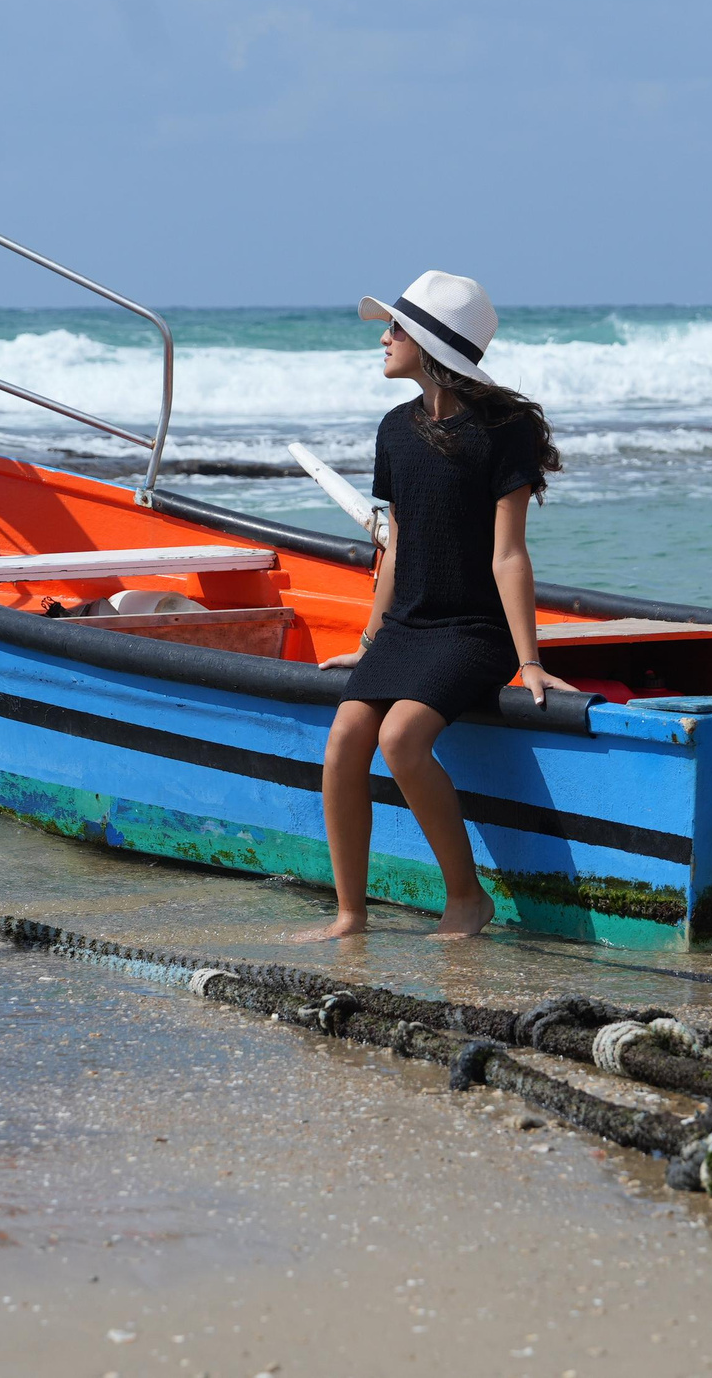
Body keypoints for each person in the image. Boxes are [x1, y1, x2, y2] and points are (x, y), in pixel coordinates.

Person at [296, 270, 572, 941]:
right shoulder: (394, 430)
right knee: (342, 743)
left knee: (400, 739)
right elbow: (395, 544)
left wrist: (528, 661)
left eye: (395, 328)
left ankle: (466, 898)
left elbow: (509, 555)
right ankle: (350, 913)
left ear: (428, 343)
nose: (384, 338)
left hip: (474, 631)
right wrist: (368, 640)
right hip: (408, 626)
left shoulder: (504, 432)